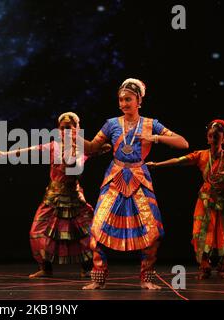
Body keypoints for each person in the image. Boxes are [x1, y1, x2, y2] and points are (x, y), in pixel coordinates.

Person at [81, 78, 189, 290]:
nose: (123, 103)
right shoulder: (111, 124)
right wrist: (74, 137)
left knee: (154, 230)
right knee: (97, 227)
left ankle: (146, 278)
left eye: (128, 99)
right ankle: (98, 277)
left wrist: (155, 137)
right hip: (115, 177)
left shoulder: (151, 124)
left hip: (139, 178)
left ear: (139, 100)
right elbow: (92, 148)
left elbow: (183, 142)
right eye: (120, 99)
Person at [0, 112, 111, 278]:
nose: (65, 131)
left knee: (85, 233)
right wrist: (4, 154)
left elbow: (91, 155)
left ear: (77, 128)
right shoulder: (53, 146)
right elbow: (29, 150)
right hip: (53, 197)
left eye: (69, 128)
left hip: (74, 198)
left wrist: (96, 150)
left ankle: (87, 268)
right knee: (36, 232)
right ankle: (45, 268)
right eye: (62, 128)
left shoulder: (84, 148)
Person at [147, 119, 224, 280]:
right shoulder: (201, 155)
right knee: (202, 233)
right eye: (211, 135)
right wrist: (157, 164)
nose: (214, 138)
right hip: (205, 200)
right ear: (208, 138)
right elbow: (178, 161)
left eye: (218, 135)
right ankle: (205, 267)